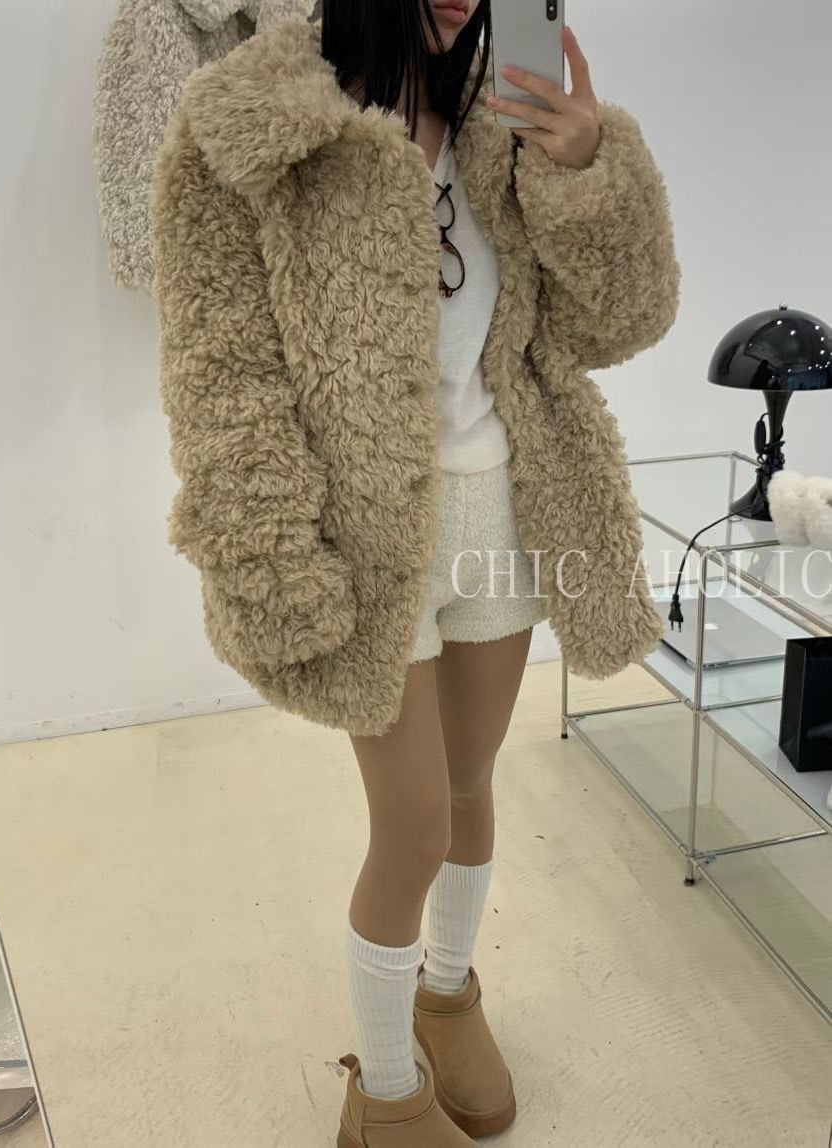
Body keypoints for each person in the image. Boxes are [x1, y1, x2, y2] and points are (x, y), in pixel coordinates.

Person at [149, 2, 681, 1143]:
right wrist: (270, 557)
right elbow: (219, 370)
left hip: (504, 507)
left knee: (470, 785)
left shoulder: (504, 114)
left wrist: (587, 167)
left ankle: (447, 994)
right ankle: (383, 1091)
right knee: (413, 823)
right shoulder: (249, 125)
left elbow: (620, 322)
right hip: (367, 537)